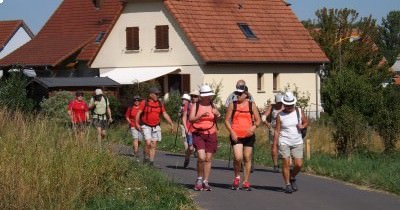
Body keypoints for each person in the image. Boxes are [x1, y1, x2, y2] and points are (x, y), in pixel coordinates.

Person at [225, 85, 261, 191]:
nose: (238, 96)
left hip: (248, 135)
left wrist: (254, 127)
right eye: (237, 93)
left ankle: (246, 182)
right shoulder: (233, 104)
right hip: (236, 134)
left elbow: (258, 120)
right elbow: (227, 120)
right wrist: (231, 132)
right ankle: (237, 177)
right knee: (237, 157)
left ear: (246, 94)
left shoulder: (252, 105)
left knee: (247, 157)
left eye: (240, 94)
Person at [273, 91, 308, 193]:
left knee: (298, 164)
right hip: (284, 142)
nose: (289, 107)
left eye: (291, 105)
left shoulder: (299, 111)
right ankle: (287, 184)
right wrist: (275, 145)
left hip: (297, 141)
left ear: (293, 103)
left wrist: (303, 126)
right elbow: (277, 130)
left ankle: (292, 176)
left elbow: (306, 122)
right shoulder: (280, 115)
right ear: (284, 104)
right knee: (286, 163)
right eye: (287, 105)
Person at [189, 85, 221, 191]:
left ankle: (205, 181)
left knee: (208, 159)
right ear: (202, 96)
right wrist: (200, 116)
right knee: (201, 157)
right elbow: (191, 119)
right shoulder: (196, 105)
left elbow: (216, 119)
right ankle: (199, 179)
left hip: (211, 133)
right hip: (198, 134)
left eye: (209, 95)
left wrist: (217, 114)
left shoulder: (213, 105)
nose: (208, 97)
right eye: (206, 95)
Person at [135, 87, 174, 166]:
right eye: (156, 94)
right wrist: (136, 123)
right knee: (148, 143)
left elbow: (164, 114)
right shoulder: (144, 102)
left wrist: (171, 123)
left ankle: (151, 162)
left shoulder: (160, 103)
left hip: (156, 126)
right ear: (150, 95)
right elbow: (138, 113)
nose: (158, 95)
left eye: (158, 94)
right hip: (146, 125)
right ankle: (146, 157)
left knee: (154, 144)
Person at [263, 93, 284, 172]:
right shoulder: (272, 107)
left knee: (283, 145)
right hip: (273, 128)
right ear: (275, 101)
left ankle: (286, 164)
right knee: (274, 146)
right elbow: (264, 116)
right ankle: (275, 165)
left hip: (283, 128)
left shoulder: (285, 106)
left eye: (280, 102)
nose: (279, 103)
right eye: (278, 102)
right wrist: (267, 124)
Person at [182, 90, 200, 168]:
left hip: (199, 129)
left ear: (199, 97)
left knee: (200, 149)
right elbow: (184, 117)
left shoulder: (201, 105)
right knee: (191, 148)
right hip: (190, 129)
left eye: (195, 96)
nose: (193, 98)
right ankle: (187, 158)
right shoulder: (188, 104)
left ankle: (200, 166)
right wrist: (186, 128)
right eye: (192, 96)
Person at [125, 95, 143, 161]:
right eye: (135, 100)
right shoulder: (130, 108)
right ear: (133, 101)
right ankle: (136, 153)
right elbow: (127, 116)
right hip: (133, 125)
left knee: (140, 140)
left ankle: (135, 148)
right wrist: (130, 122)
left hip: (140, 126)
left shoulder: (142, 108)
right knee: (135, 139)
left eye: (138, 100)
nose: (137, 101)